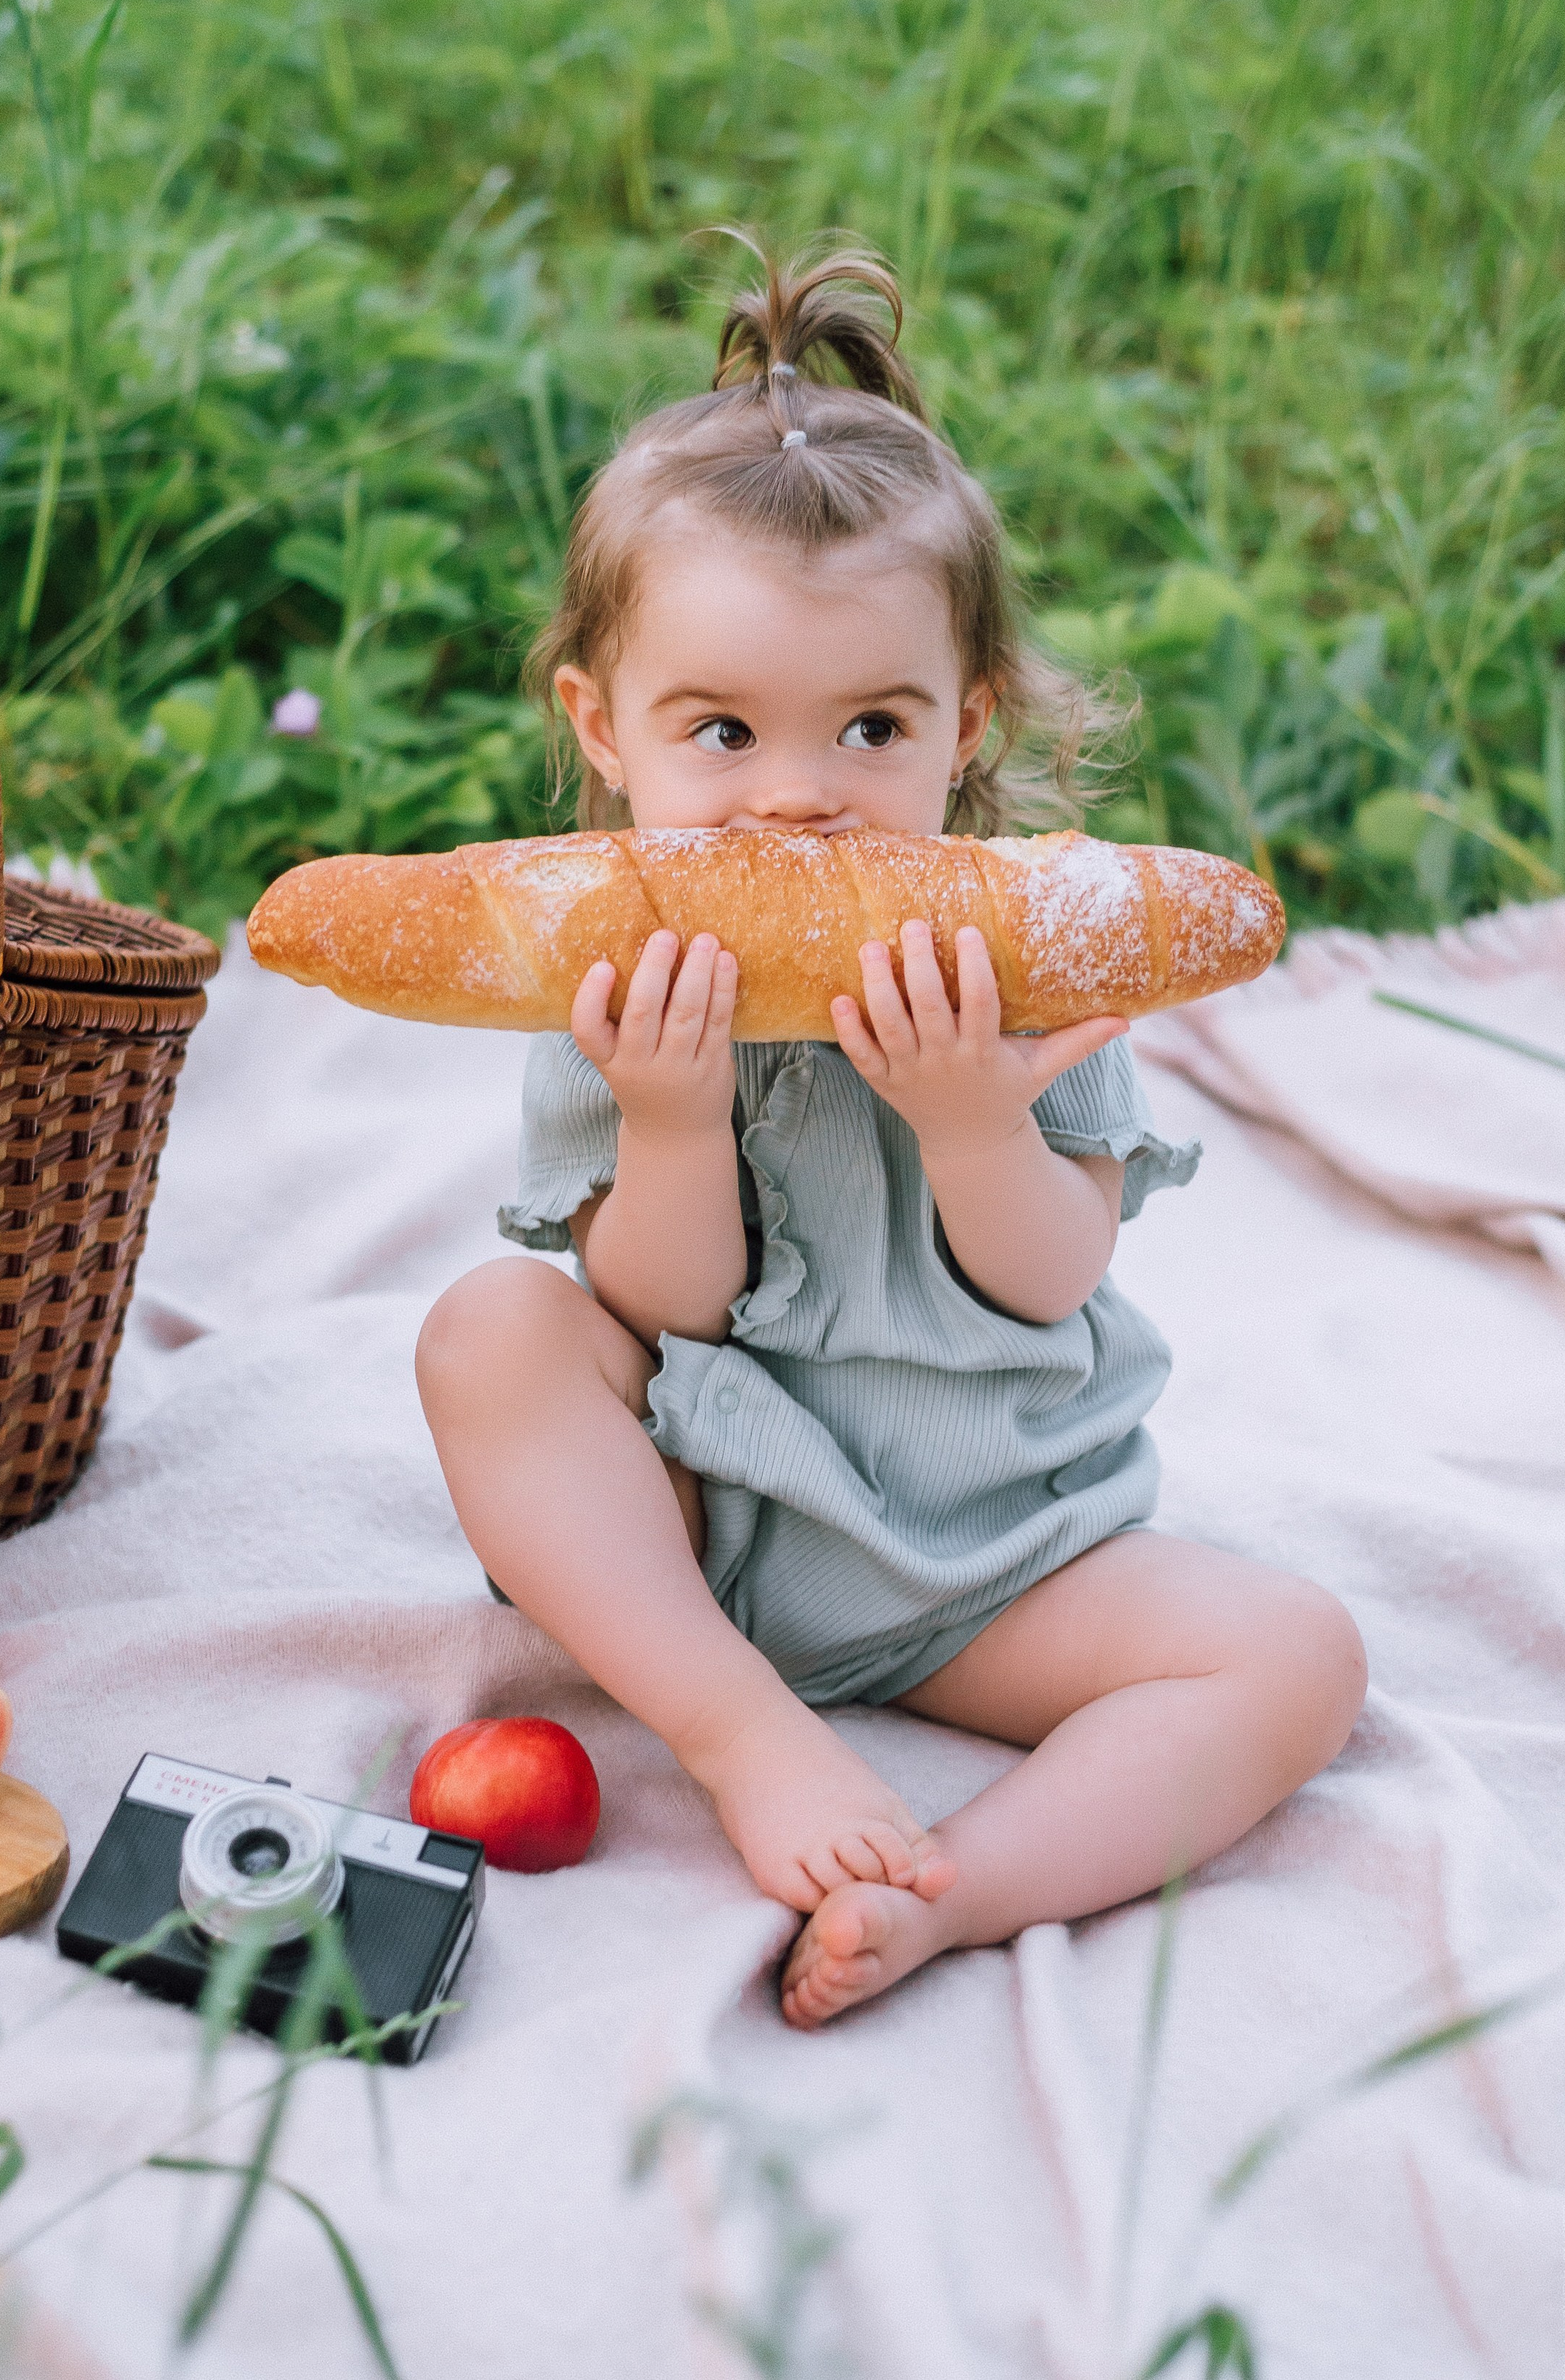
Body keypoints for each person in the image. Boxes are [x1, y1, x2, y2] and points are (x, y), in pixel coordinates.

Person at [415, 242, 1367, 2029]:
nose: (798, 790)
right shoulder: (615, 982)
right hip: (691, 1543)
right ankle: (741, 1732)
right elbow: (668, 1311)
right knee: (490, 1328)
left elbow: (1048, 1277)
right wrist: (671, 1117)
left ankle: (953, 1892)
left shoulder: (1029, 963)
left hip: (988, 1557)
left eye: (871, 726)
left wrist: (967, 1117)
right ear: (603, 734)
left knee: (1297, 1656)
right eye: (721, 730)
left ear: (967, 725)